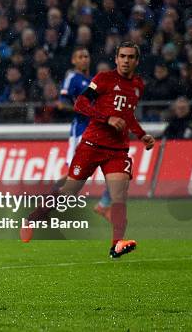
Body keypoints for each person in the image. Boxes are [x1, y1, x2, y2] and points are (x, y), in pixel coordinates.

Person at [22, 42, 155, 258]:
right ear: (116, 59)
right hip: (91, 144)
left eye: (130, 57)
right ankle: (33, 218)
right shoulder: (103, 79)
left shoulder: (138, 85)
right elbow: (80, 104)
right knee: (68, 191)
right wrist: (106, 118)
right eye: (122, 56)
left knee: (119, 195)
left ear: (136, 61)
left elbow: (128, 115)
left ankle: (117, 244)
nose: (126, 60)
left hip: (118, 149)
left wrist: (141, 135)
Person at [57, 47, 112, 222]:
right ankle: (47, 201)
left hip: (98, 131)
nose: (84, 59)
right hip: (80, 131)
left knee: (116, 167)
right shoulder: (73, 78)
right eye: (80, 56)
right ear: (74, 60)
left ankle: (103, 205)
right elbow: (62, 104)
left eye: (86, 56)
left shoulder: (92, 81)